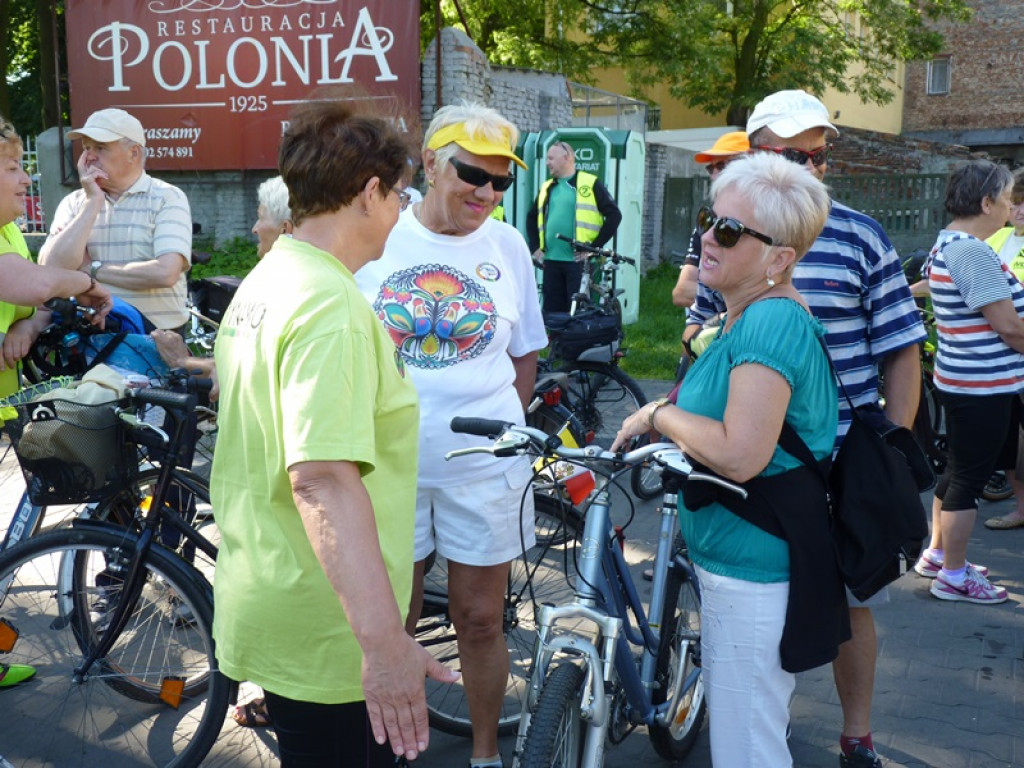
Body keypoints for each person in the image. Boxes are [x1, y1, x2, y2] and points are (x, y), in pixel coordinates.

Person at [209, 99, 458, 767]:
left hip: (276, 590)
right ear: (370, 193)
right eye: (401, 194)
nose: (403, 210)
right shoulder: (330, 305)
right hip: (327, 624)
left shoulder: (270, 279)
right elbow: (319, 477)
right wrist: (383, 644)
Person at [688, 89, 926, 768]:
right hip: (763, 464)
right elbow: (709, 325)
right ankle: (764, 719)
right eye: (788, 152)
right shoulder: (730, 230)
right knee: (767, 615)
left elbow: (901, 347)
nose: (806, 164)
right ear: (754, 150)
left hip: (843, 456)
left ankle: (855, 733)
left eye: (816, 153)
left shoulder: (858, 233)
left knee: (849, 597)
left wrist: (894, 446)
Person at [613, 152, 843, 766]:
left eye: (730, 231)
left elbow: (741, 453)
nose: (708, 239)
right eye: (709, 221)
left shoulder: (770, 323)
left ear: (779, 259)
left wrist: (655, 415)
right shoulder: (742, 316)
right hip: (736, 561)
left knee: (747, 745)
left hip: (753, 571)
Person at [357, 102, 548, 768]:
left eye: (502, 182)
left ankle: (486, 754)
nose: (487, 194)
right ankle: (392, 750)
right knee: (393, 623)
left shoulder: (508, 245)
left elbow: (526, 352)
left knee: (480, 620)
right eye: (473, 174)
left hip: (482, 468)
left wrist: (502, 429)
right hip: (391, 468)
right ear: (431, 162)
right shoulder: (379, 236)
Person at [917, 160, 1021, 600]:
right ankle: (955, 576)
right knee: (969, 481)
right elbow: (1010, 328)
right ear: (986, 202)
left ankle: (939, 554)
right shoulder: (972, 251)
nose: (1011, 206)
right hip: (983, 388)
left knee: (959, 470)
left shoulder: (948, 244)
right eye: (1009, 197)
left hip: (964, 381)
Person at [39, 108, 193, 332]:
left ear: (134, 153)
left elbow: (165, 273)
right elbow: (49, 269)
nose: (90, 156)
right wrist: (92, 203)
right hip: (90, 335)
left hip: (155, 338)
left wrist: (89, 268)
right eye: (87, 148)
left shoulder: (167, 197)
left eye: (100, 148)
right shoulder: (75, 203)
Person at [1, 116, 112, 400]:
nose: (26, 179)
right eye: (13, 169)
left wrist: (27, 325)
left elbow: (41, 296)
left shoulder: (9, 230)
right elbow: (37, 284)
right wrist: (88, 284)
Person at [527, 139, 622, 313]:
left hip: (578, 263)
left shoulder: (590, 183)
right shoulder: (547, 186)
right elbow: (532, 218)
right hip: (551, 262)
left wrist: (594, 248)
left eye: (550, 158)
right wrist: (535, 248)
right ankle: (555, 341)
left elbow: (615, 215)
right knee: (551, 313)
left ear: (567, 157)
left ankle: (574, 341)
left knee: (578, 313)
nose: (547, 162)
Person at [981, 170, 1024, 531]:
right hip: (1005, 352)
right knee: (1014, 441)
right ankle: (1022, 508)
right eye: (1016, 203)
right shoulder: (998, 238)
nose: (1020, 211)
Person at [672, 131, 750, 310]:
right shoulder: (709, 221)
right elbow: (681, 292)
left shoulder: (769, 219)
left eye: (722, 165)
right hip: (709, 334)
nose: (714, 175)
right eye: (710, 168)